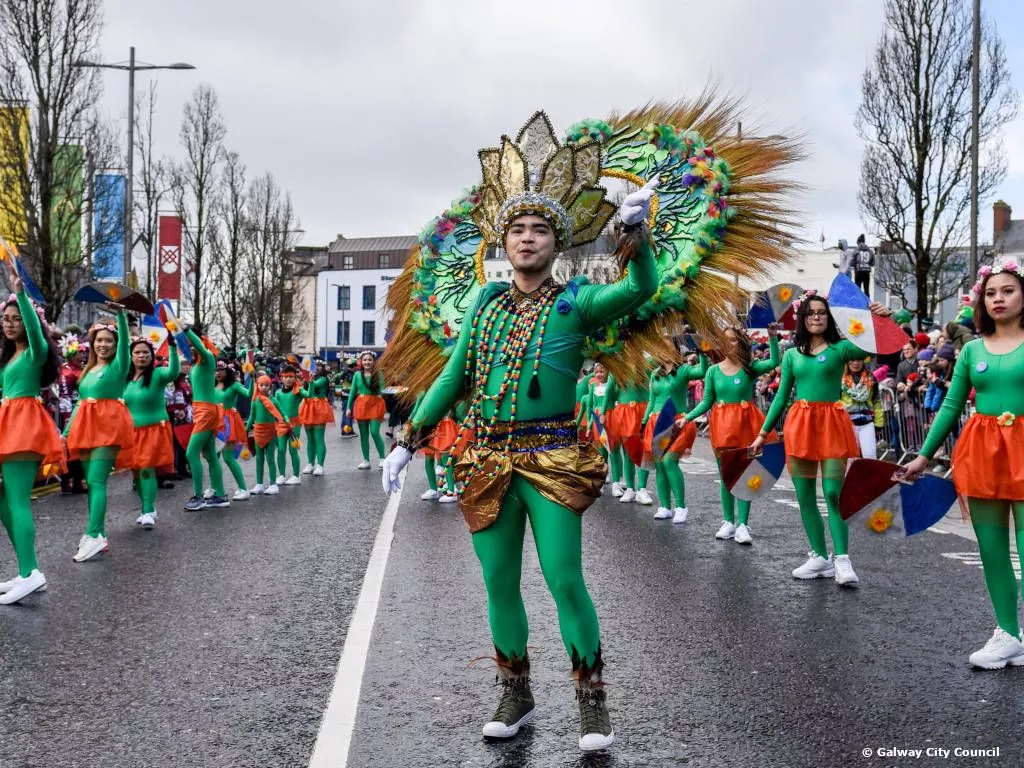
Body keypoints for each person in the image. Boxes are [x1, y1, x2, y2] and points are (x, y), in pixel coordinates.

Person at [382, 164, 660, 750]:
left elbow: (640, 290)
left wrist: (637, 240)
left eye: (540, 229)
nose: (528, 237)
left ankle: (592, 702)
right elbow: (454, 377)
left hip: (553, 458)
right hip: (484, 460)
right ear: (502, 242)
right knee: (499, 582)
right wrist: (409, 439)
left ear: (557, 243)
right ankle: (516, 692)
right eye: (518, 230)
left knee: (564, 578)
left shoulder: (576, 304)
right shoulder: (483, 304)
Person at [901, 260, 1024, 669]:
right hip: (983, 454)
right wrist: (922, 456)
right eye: (990, 293)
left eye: (1007, 290)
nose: (998, 299)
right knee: (992, 550)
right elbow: (952, 405)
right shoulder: (971, 350)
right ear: (980, 303)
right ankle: (1008, 633)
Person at [750, 291, 892, 585]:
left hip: (832, 425)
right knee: (804, 496)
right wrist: (763, 433)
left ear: (829, 318)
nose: (817, 316)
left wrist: (881, 318)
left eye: (822, 312)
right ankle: (818, 556)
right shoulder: (791, 355)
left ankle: (842, 559)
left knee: (832, 493)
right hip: (799, 425)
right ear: (802, 318)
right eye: (811, 312)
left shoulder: (840, 349)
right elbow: (780, 397)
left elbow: (874, 346)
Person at [683, 323, 781, 543]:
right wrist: (688, 417)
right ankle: (728, 521)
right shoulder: (712, 371)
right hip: (722, 428)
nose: (730, 344)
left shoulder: (750, 367)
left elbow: (775, 362)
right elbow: (707, 401)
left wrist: (773, 337)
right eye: (725, 340)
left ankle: (743, 525)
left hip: (746, 427)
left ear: (742, 343)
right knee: (726, 475)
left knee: (745, 474)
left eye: (734, 339)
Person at [0, 267, 64, 602]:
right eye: (5, 318)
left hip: (23, 428)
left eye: (15, 318)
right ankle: (27, 570)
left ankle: (31, 573)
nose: (9, 323)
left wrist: (20, 294)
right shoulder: (10, 357)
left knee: (18, 500)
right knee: (4, 502)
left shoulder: (35, 352)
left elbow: (39, 338)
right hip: (7, 426)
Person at [64, 307, 135, 562]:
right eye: (99, 340)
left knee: (96, 481)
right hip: (85, 428)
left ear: (116, 344)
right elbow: (79, 403)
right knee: (90, 483)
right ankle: (98, 533)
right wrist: (65, 432)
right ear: (92, 342)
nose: (103, 344)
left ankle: (93, 534)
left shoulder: (119, 366)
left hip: (109, 427)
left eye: (109, 340)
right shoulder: (88, 370)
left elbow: (126, 347)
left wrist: (121, 320)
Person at [641, 350, 708, 523]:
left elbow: (702, 371)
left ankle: (680, 506)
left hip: (677, 421)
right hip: (656, 421)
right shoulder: (656, 373)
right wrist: (643, 422)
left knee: (669, 461)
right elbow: (652, 400)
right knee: (660, 466)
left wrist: (702, 354)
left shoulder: (684, 370)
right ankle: (664, 506)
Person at [124, 337, 180, 528]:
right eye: (137, 353)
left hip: (153, 429)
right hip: (130, 432)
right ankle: (146, 507)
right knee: (136, 472)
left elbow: (174, 371)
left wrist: (172, 347)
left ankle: (148, 510)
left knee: (147, 469)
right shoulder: (125, 378)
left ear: (152, 356)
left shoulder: (157, 375)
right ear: (131, 356)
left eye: (146, 353)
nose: (141, 356)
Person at [182, 330, 230, 511]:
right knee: (210, 455)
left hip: (206, 411)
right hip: (202, 410)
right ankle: (219, 495)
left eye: (192, 344)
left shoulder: (208, 357)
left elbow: (200, 347)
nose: (190, 346)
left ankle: (198, 496)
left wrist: (186, 331)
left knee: (191, 453)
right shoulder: (197, 363)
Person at [214, 361, 254, 500]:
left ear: (227, 371)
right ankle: (214, 487)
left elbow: (249, 394)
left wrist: (252, 378)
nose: (218, 372)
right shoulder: (211, 385)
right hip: (213, 422)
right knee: (213, 457)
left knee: (228, 457)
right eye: (216, 370)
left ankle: (243, 488)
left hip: (227, 424)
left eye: (221, 370)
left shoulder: (234, 385)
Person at [346, 351, 387, 469]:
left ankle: (382, 458)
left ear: (374, 361)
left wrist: (380, 396)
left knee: (374, 432)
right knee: (363, 434)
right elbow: (352, 392)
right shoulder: (357, 375)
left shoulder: (378, 374)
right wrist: (348, 407)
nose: (367, 362)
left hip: (375, 404)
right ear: (361, 362)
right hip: (361, 405)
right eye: (365, 360)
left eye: (369, 360)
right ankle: (366, 460)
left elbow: (383, 389)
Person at [840, 358, 882, 460]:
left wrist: (879, 424)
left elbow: (876, 401)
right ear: (847, 361)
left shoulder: (871, 378)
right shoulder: (839, 379)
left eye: (859, 360)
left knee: (870, 456)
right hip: (848, 423)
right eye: (853, 360)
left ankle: (870, 476)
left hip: (867, 422)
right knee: (851, 458)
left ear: (863, 361)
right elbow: (835, 403)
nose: (856, 363)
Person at [299, 362, 335, 476]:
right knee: (310, 439)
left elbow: (314, 385)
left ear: (323, 367)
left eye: (319, 365)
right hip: (307, 407)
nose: (316, 368)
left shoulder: (323, 379)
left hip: (319, 408)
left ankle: (320, 465)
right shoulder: (308, 379)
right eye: (314, 365)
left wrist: (308, 379)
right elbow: (305, 392)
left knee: (318, 438)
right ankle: (310, 463)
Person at [273, 364, 305, 485]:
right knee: (281, 450)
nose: (289, 379)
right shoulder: (278, 393)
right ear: (281, 378)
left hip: (295, 425)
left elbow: (309, 395)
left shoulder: (298, 391)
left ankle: (296, 476)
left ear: (295, 377)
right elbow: (274, 408)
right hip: (281, 425)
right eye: (286, 376)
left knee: (293, 450)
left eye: (291, 376)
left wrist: (310, 383)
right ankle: (281, 475)